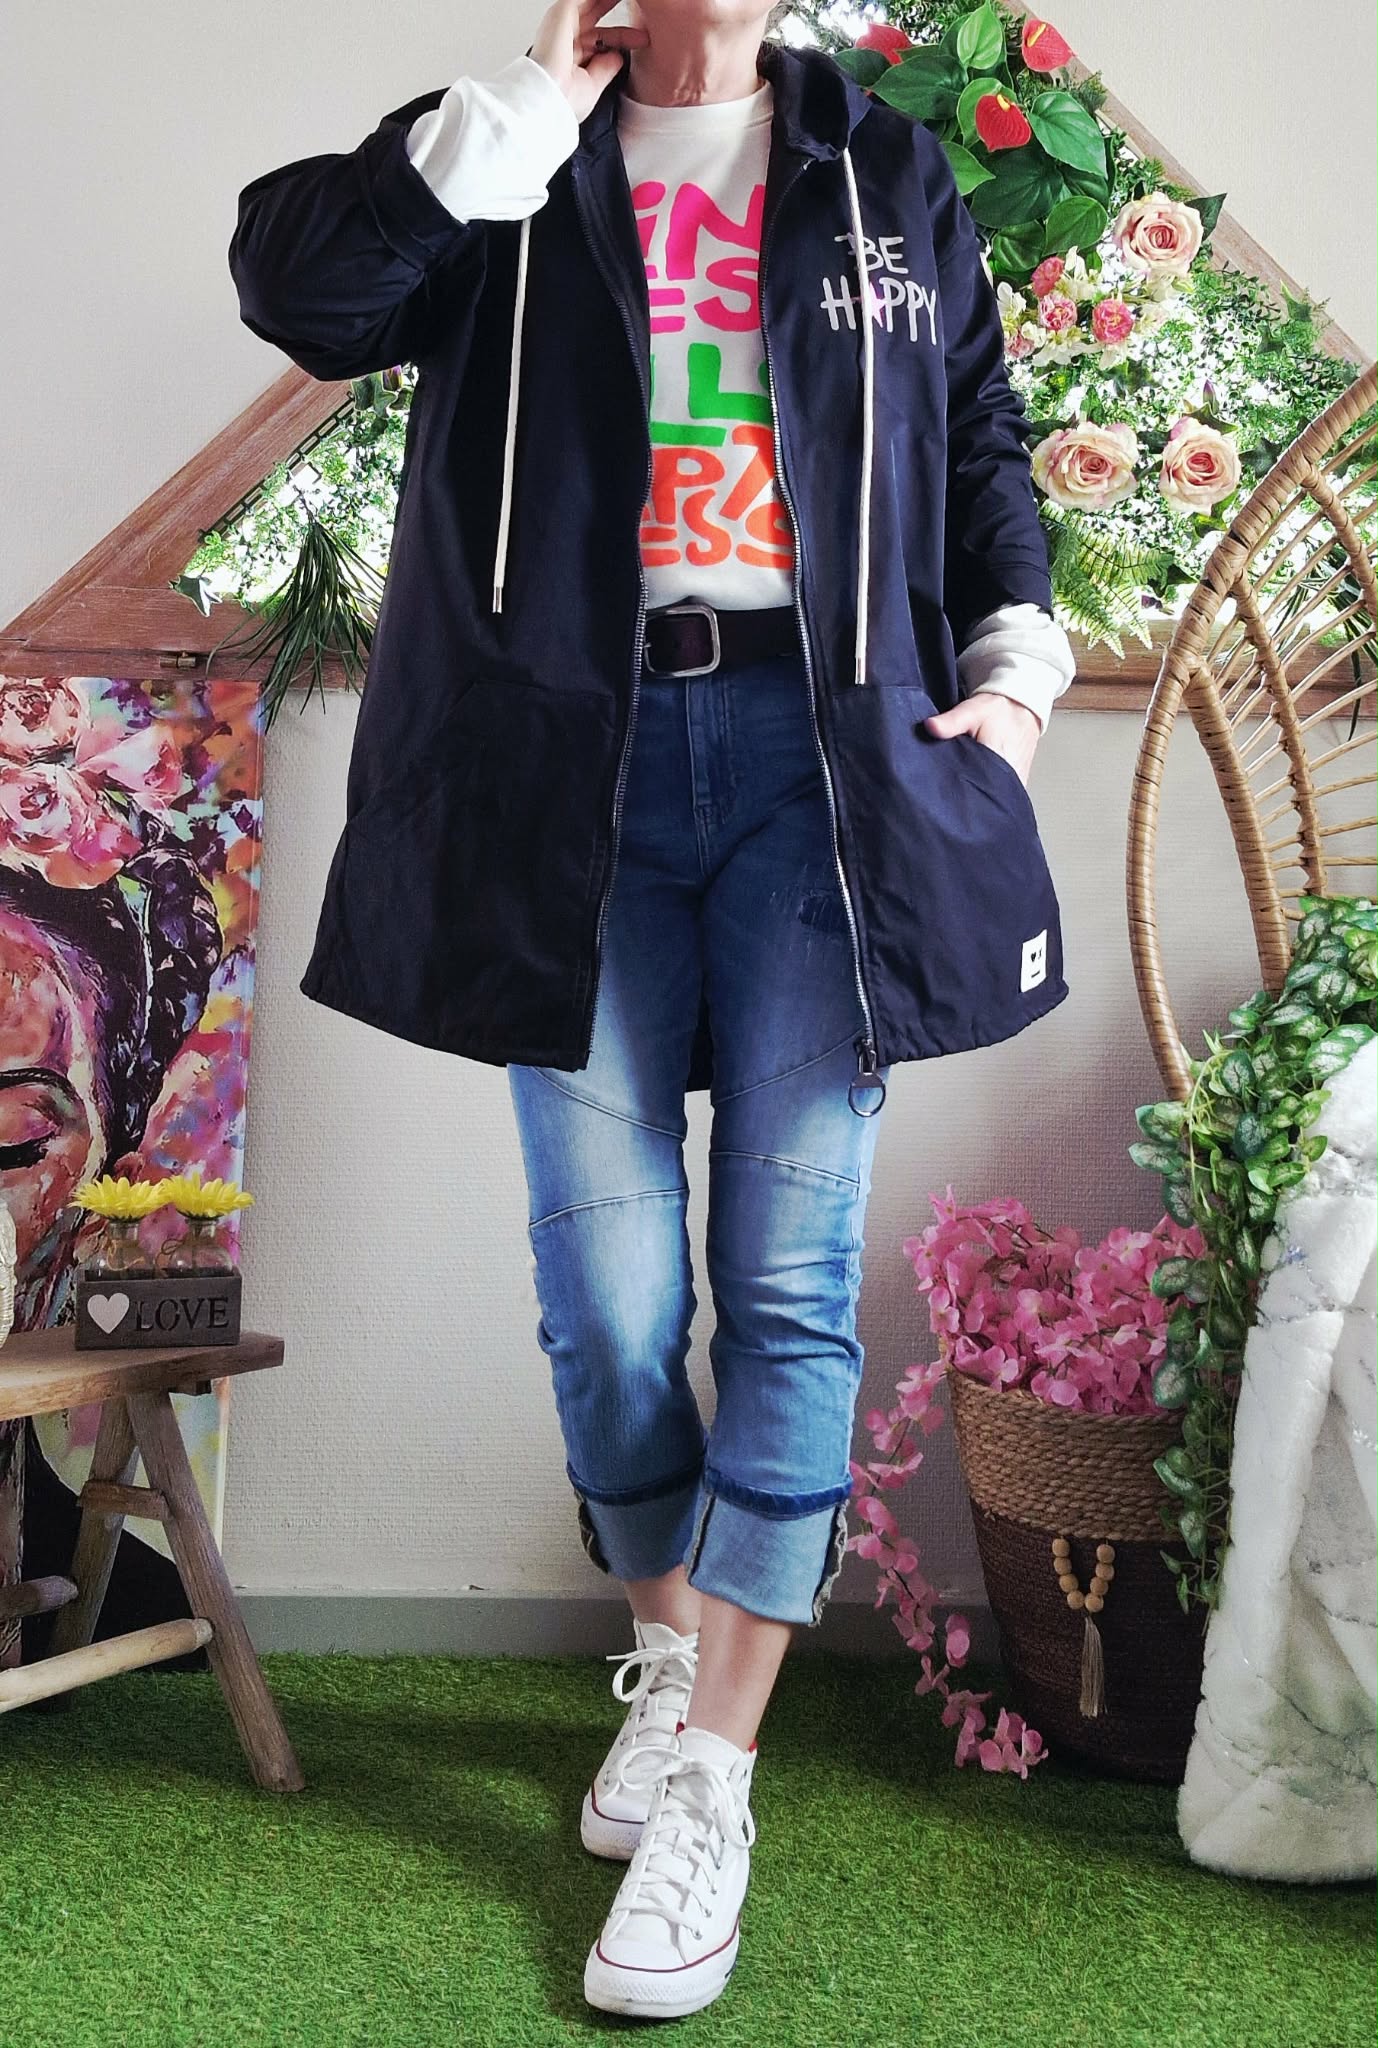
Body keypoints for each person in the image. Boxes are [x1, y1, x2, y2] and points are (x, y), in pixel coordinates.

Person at [229, 0, 1077, 2019]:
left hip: (824, 769)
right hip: (571, 770)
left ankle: (713, 1772)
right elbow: (306, 292)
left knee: (784, 1278)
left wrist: (1018, 674)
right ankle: (670, 1648)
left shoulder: (880, 168)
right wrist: (524, 100)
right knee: (606, 1303)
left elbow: (970, 432)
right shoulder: (507, 160)